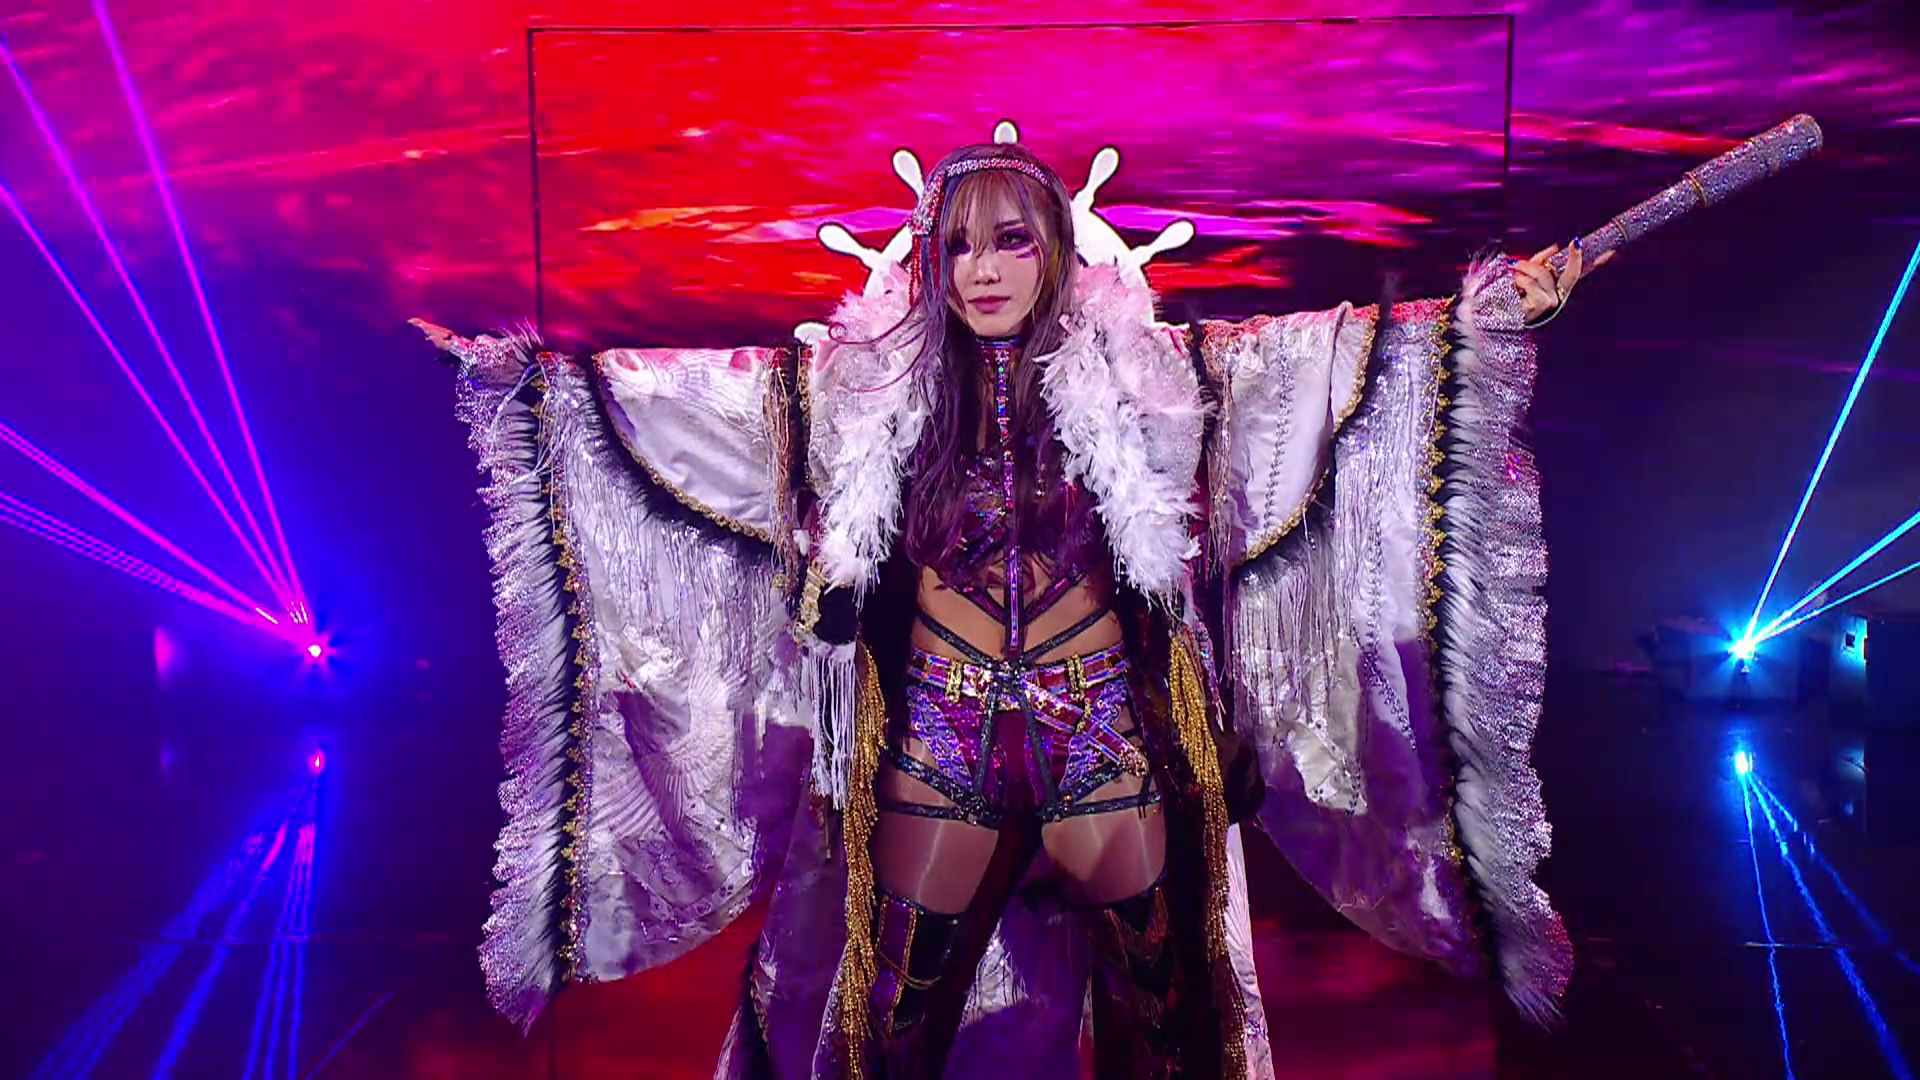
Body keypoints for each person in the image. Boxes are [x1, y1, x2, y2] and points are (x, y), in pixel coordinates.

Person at [416, 138, 1602, 1079]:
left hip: (1103, 736)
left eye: (1011, 241)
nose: (981, 269)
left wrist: (1484, 316)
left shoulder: (1154, 376)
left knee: (1172, 1018)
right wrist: (524, 379)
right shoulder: (864, 391)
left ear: (1056, 252)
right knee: (893, 1026)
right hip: (944, 741)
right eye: (957, 246)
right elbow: (689, 402)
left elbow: (1320, 364)